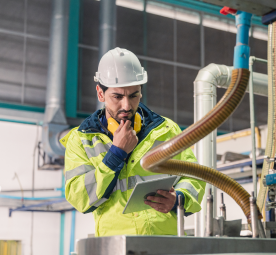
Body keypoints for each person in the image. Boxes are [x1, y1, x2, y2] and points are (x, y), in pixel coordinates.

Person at [61, 47, 205, 237]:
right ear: (100, 93)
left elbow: (193, 176)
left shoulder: (166, 130)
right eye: (118, 96)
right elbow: (80, 198)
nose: (127, 106)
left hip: (166, 246)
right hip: (116, 245)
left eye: (133, 95)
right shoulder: (81, 140)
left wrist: (179, 199)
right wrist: (115, 155)